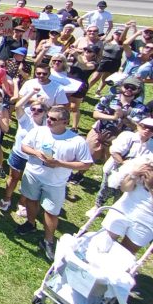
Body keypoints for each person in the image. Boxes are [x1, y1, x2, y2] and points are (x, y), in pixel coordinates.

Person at [16, 106, 93, 261]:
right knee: (31, 200)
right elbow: (24, 146)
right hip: (33, 174)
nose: (49, 121)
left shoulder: (76, 141)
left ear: (65, 121)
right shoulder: (39, 131)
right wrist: (36, 153)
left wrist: (60, 163)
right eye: (49, 117)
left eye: (53, 119)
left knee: (51, 212)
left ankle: (48, 240)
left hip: (55, 183)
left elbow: (86, 164)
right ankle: (30, 223)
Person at [86, 117, 153, 218]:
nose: (147, 130)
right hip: (114, 169)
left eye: (151, 129)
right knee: (105, 190)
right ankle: (97, 206)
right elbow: (114, 152)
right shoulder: (127, 136)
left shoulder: (151, 145)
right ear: (139, 126)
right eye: (145, 127)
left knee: (122, 195)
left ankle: (114, 212)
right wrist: (124, 164)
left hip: (134, 176)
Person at [0, 90, 49, 214]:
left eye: (39, 110)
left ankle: (22, 202)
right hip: (18, 154)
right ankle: (7, 198)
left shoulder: (47, 125)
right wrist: (31, 93)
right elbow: (18, 106)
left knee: (28, 181)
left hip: (35, 158)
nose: (35, 112)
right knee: (13, 177)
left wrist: (48, 158)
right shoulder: (25, 119)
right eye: (33, 109)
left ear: (45, 113)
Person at [102, 164, 153, 254]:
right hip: (122, 210)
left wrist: (150, 187)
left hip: (146, 222)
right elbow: (124, 188)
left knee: (124, 254)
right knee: (102, 244)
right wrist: (133, 174)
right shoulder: (146, 164)